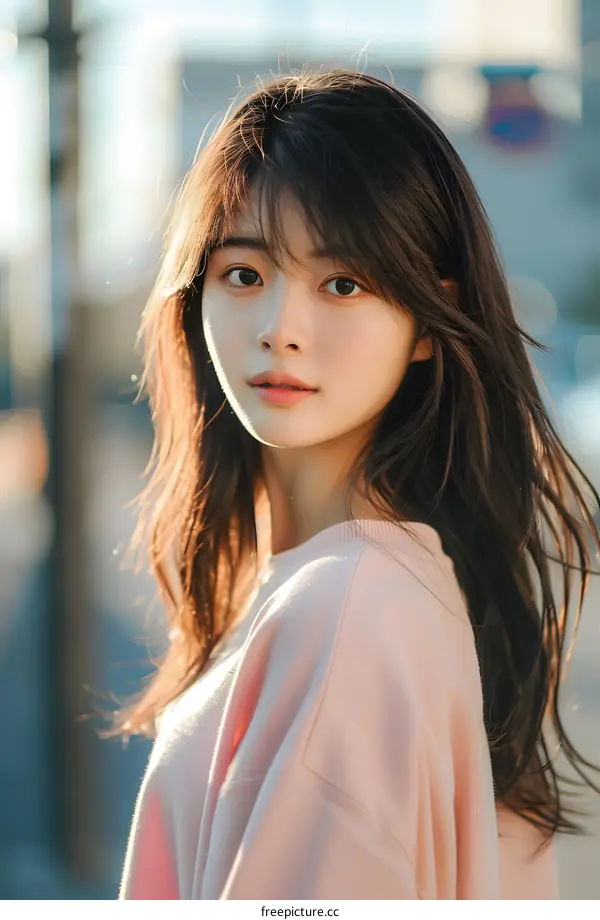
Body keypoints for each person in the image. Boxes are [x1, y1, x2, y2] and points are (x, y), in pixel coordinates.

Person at [115, 69, 600, 899]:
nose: (280, 330)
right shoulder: (381, 591)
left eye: (344, 284)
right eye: (244, 274)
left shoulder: (346, 613)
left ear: (425, 322)